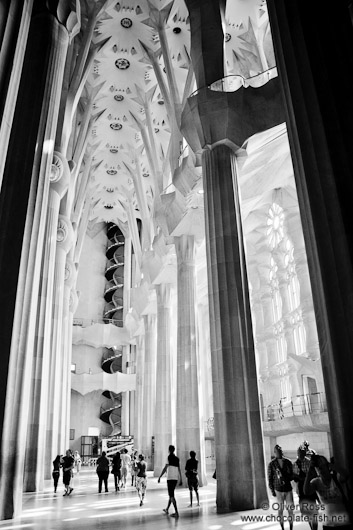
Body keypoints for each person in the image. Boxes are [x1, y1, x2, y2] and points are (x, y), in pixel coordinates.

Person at [304, 454, 351, 529]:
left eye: (322, 467)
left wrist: (329, 464)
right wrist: (310, 470)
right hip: (327, 524)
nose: (320, 470)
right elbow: (306, 491)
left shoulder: (336, 478)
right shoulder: (316, 482)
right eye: (318, 468)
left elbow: (346, 474)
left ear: (327, 467)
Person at [268, 444, 294, 530]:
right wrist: (272, 490)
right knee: (280, 510)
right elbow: (270, 478)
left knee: (290, 510)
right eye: (277, 450)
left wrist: (285, 476)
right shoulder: (272, 464)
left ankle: (291, 527)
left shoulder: (288, 462)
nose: (279, 452)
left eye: (280, 450)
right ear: (274, 452)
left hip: (288, 488)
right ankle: (282, 527)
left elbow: (292, 475)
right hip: (278, 489)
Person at [293, 444, 318, 530]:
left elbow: (312, 475)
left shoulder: (309, 462)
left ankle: (314, 528)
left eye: (302, 453)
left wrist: (303, 478)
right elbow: (294, 478)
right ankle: (312, 528)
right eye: (299, 453)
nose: (300, 455)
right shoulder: (295, 464)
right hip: (301, 492)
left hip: (310, 490)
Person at [158, 444, 182, 518]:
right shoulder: (177, 458)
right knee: (171, 494)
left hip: (170, 478)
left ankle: (176, 512)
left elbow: (165, 468)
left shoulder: (168, 457)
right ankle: (167, 509)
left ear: (169, 450)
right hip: (175, 478)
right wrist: (181, 478)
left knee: (171, 495)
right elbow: (179, 469)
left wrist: (160, 477)